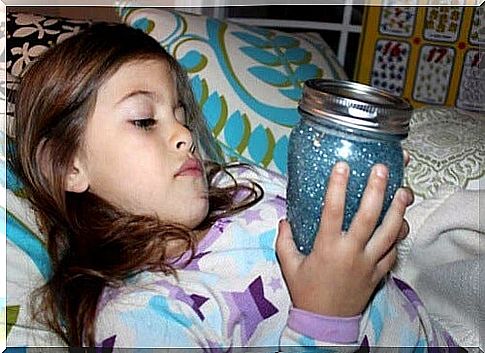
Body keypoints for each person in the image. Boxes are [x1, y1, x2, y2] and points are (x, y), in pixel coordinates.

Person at [10, 23, 458, 350]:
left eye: (181, 114)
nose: (184, 135)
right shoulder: (138, 322)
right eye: (144, 120)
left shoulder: (243, 185)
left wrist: (368, 226)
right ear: (67, 165)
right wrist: (327, 317)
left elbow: (332, 240)